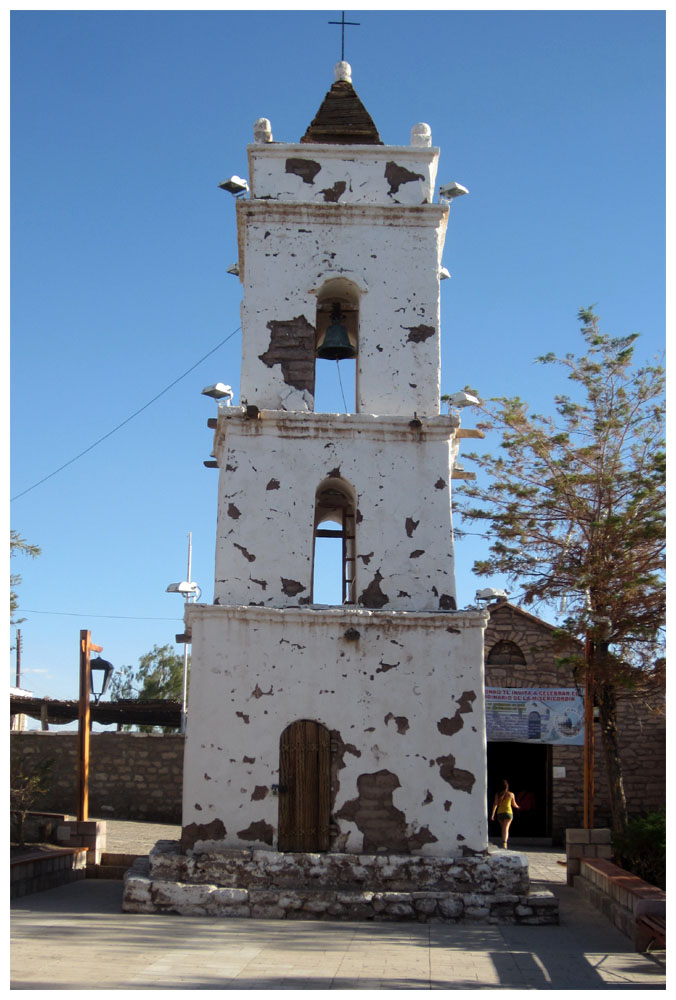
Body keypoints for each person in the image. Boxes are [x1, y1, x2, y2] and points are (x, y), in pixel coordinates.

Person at [491, 778, 519, 848]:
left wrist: (492, 814)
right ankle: (504, 843)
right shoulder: (511, 794)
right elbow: (514, 804)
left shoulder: (498, 795)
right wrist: (519, 807)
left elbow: (495, 804)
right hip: (508, 813)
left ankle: (504, 841)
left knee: (503, 828)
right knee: (506, 828)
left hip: (500, 814)